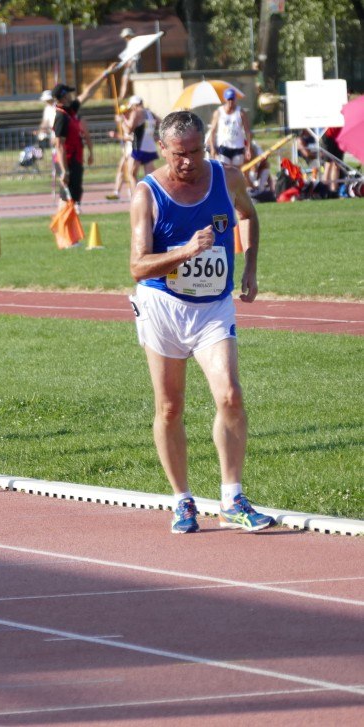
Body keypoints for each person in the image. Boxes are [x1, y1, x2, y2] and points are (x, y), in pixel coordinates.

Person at [129, 110, 274, 535]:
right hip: (163, 306)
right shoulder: (147, 193)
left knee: (229, 394)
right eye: (180, 154)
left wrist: (249, 267)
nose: (189, 161)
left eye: (196, 151)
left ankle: (232, 497)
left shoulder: (227, 178)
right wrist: (186, 251)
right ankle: (182, 500)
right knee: (170, 406)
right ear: (163, 149)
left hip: (213, 306)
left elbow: (247, 216)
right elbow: (138, 266)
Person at [51, 69, 112, 209]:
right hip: (67, 161)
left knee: (75, 195)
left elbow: (88, 93)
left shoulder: (70, 111)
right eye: (68, 93)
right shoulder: (60, 117)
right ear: (64, 96)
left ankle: (69, 228)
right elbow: (59, 145)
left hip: (75, 159)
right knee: (67, 198)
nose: (72, 96)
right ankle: (63, 228)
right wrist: (64, 170)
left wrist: (104, 74)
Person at [207, 88, 252, 168]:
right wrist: (212, 147)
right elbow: (212, 131)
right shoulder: (219, 112)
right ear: (225, 99)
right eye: (229, 100)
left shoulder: (241, 112)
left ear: (235, 99)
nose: (230, 102)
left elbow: (247, 131)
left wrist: (248, 149)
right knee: (224, 170)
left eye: (232, 99)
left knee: (237, 171)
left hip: (238, 146)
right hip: (223, 146)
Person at [123, 95, 159, 190]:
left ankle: (136, 197)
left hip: (139, 147)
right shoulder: (150, 113)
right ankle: (151, 195)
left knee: (132, 174)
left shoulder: (136, 113)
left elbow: (129, 130)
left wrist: (122, 122)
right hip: (150, 148)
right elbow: (161, 123)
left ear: (134, 105)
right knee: (149, 177)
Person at [320, 127, 344, 196]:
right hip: (328, 135)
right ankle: (324, 189)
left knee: (337, 165)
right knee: (328, 164)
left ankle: (334, 190)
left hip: (340, 135)